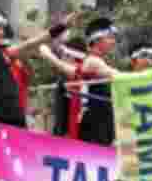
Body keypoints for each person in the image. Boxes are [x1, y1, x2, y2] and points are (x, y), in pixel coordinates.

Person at [0, 7, 78, 131]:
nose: (2, 33)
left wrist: (63, 26)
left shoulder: (7, 53)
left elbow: (37, 40)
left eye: (2, 28)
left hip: (16, 122)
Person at [39, 17, 119, 145]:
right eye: (110, 37)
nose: (114, 41)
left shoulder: (92, 62)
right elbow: (119, 77)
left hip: (99, 130)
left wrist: (50, 57)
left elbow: (72, 70)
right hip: (94, 131)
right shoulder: (93, 61)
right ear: (97, 40)